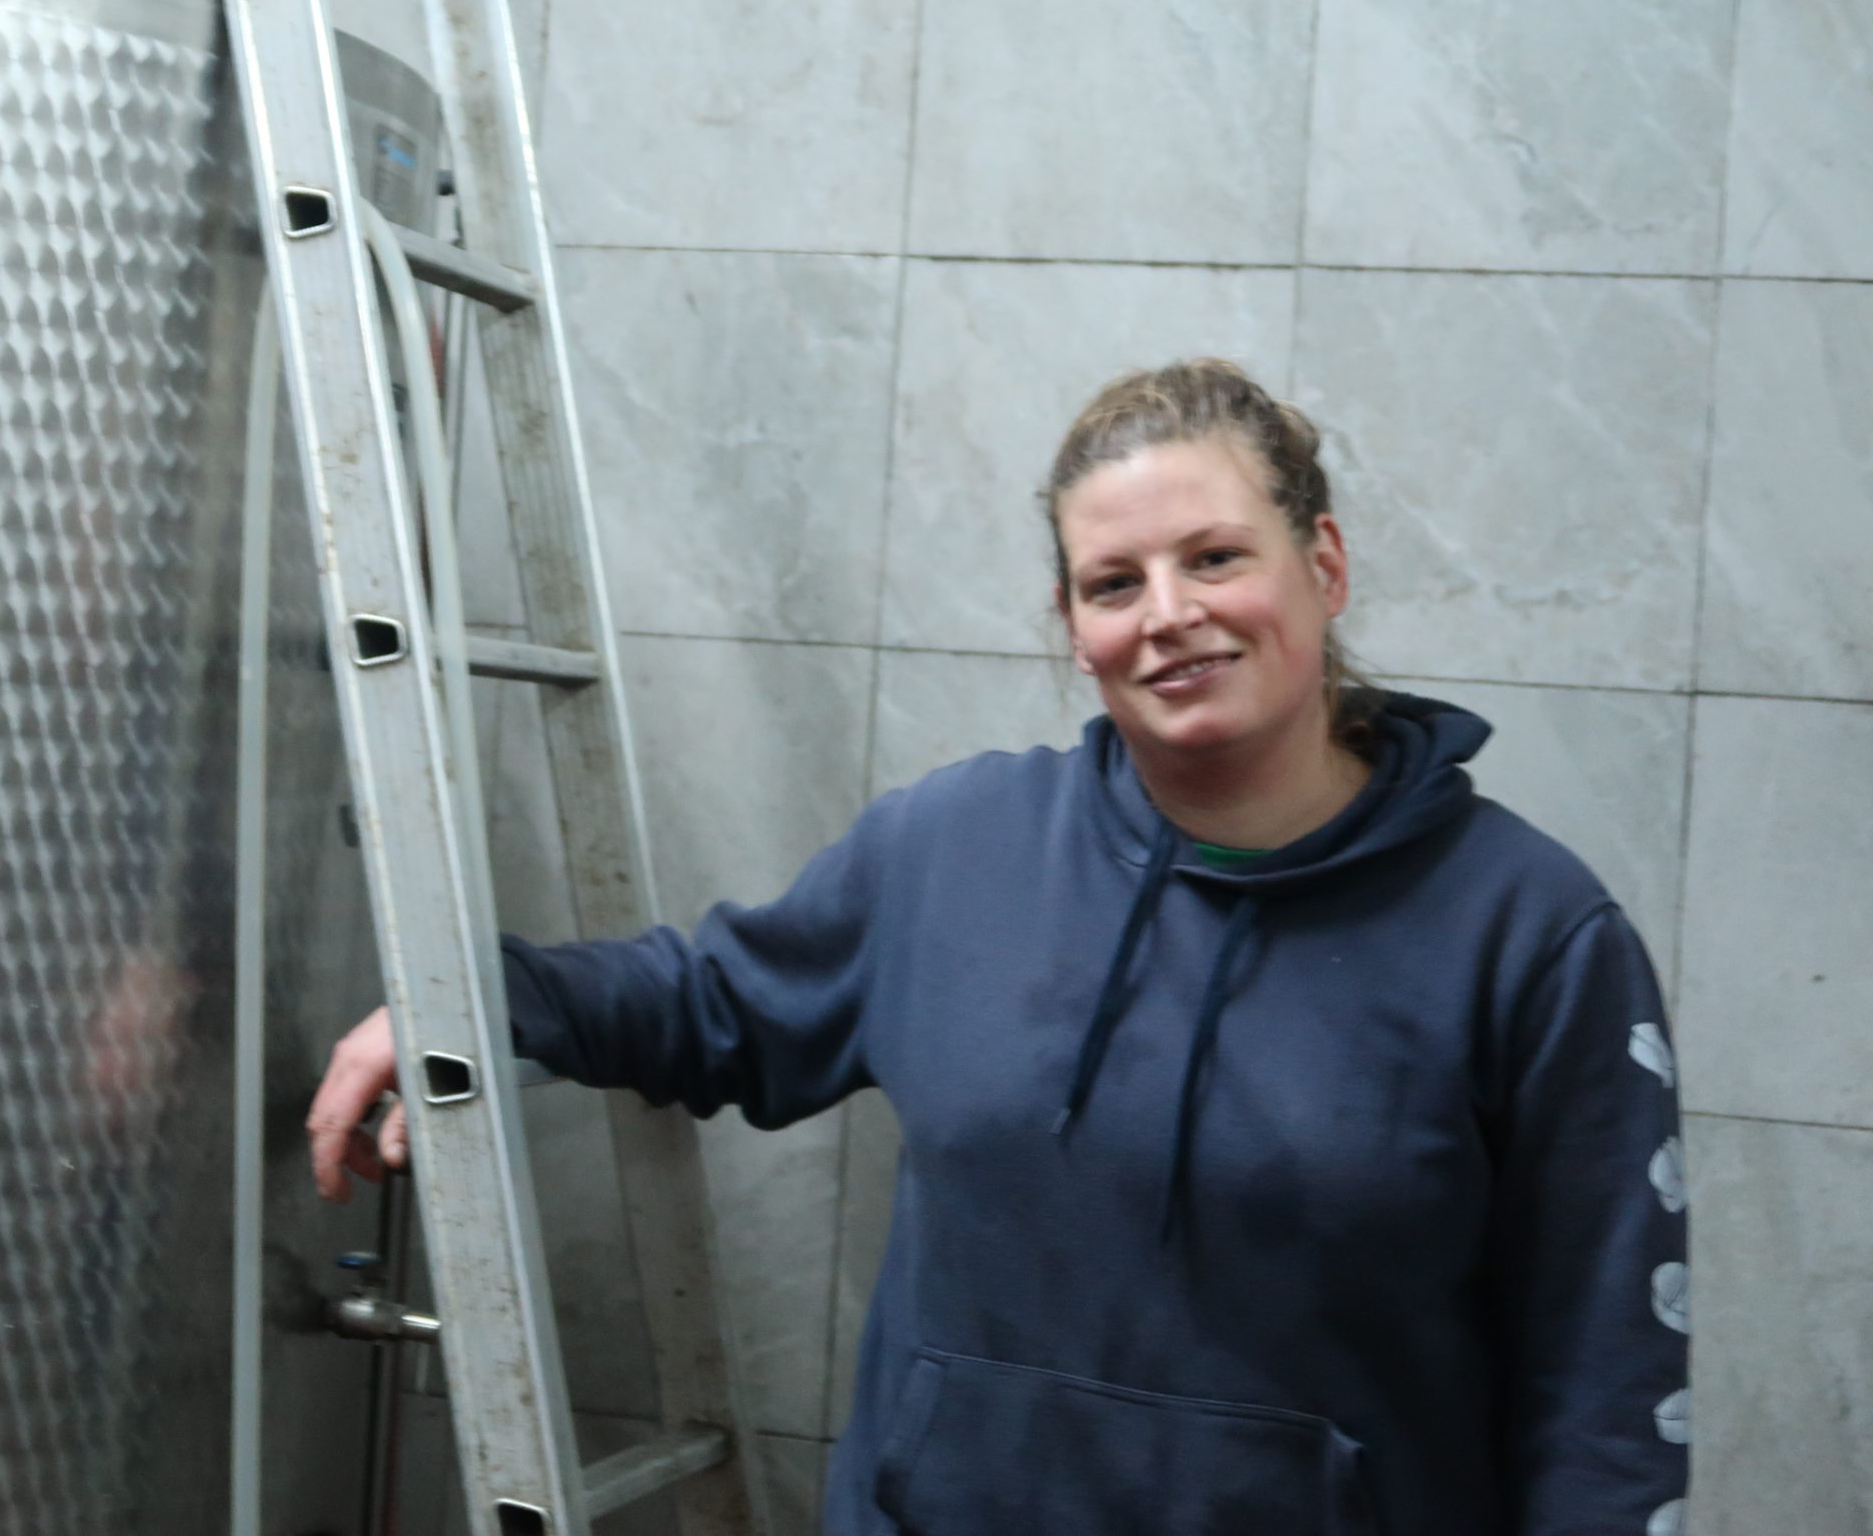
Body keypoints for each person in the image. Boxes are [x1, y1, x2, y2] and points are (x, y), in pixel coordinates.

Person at [309, 359, 1691, 1536]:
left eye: (1216, 558)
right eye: (1114, 581)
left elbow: (1607, 1391)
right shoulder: (955, 849)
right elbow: (712, 1003)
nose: (1169, 613)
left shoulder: (1529, 934)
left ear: (1322, 566)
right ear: (1075, 631)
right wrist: (469, 1001)